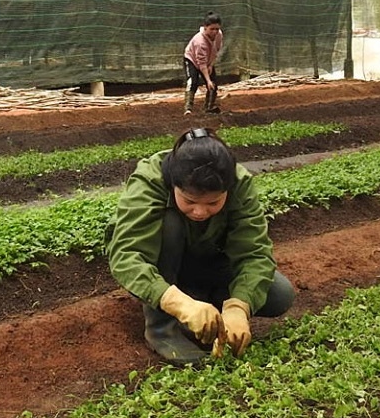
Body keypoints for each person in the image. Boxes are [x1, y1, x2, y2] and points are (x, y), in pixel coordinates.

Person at [106, 127, 295, 364]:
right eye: (189, 200)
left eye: (213, 203)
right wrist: (178, 303)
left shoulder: (238, 182)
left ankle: (206, 306)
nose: (200, 212)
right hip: (168, 263)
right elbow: (127, 255)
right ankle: (162, 329)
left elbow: (255, 253)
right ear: (174, 184)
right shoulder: (150, 180)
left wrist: (239, 306)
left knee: (278, 295)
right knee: (170, 224)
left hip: (210, 259)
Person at [183, 12, 223, 115]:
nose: (215, 32)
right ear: (205, 27)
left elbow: (216, 51)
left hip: (208, 61)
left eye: (217, 29)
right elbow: (201, 63)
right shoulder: (199, 41)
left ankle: (208, 107)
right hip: (192, 60)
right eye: (212, 29)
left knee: (213, 84)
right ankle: (188, 108)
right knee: (193, 82)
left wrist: (211, 65)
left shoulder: (219, 35)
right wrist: (207, 80)